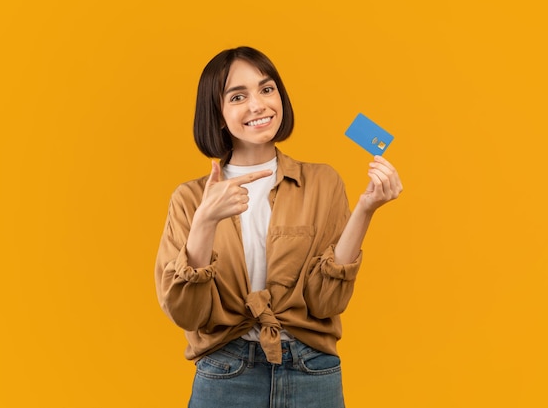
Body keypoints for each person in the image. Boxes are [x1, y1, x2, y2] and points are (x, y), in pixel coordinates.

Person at [155, 46, 403, 408]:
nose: (258, 105)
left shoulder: (323, 182)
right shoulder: (190, 198)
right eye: (238, 96)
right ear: (219, 115)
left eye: (267, 89)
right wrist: (205, 221)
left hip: (311, 371)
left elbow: (325, 302)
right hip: (226, 374)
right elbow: (187, 314)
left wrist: (366, 210)